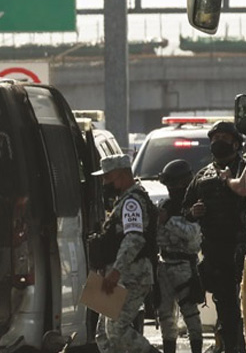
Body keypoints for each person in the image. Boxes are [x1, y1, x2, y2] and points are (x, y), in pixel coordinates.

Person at [183, 121, 246, 353]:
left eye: (224, 138)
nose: (218, 142)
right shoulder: (203, 175)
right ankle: (231, 346)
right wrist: (193, 212)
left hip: (241, 249)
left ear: (236, 143)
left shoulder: (242, 170)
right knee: (226, 305)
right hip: (217, 253)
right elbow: (185, 208)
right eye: (215, 138)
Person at [91, 154, 159, 353]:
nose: (104, 183)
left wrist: (116, 272)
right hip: (117, 273)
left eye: (107, 177)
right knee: (103, 335)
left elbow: (134, 239)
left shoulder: (132, 203)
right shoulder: (122, 201)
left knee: (117, 330)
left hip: (131, 274)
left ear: (121, 175)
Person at [156, 159, 203, 353]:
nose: (171, 189)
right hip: (164, 265)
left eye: (174, 185)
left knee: (190, 314)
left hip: (185, 266)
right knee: (165, 315)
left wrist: (169, 222)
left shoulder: (195, 207)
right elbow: (157, 236)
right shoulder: (165, 205)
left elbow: (193, 237)